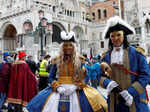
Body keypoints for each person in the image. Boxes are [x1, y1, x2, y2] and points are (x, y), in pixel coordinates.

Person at [26, 31, 108, 112]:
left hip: (75, 89)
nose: (68, 47)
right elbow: (51, 77)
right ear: (62, 47)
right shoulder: (56, 60)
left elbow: (86, 77)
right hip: (59, 89)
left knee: (94, 99)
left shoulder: (80, 60)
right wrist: (57, 87)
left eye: (70, 45)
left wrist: (76, 86)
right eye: (65, 45)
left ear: (74, 47)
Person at [99, 16, 150, 112]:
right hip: (114, 102)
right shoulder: (106, 56)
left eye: (118, 35)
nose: (115, 38)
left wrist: (130, 92)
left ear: (124, 35)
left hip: (135, 101)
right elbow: (100, 76)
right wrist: (108, 83)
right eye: (112, 36)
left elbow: (145, 75)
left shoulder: (137, 53)